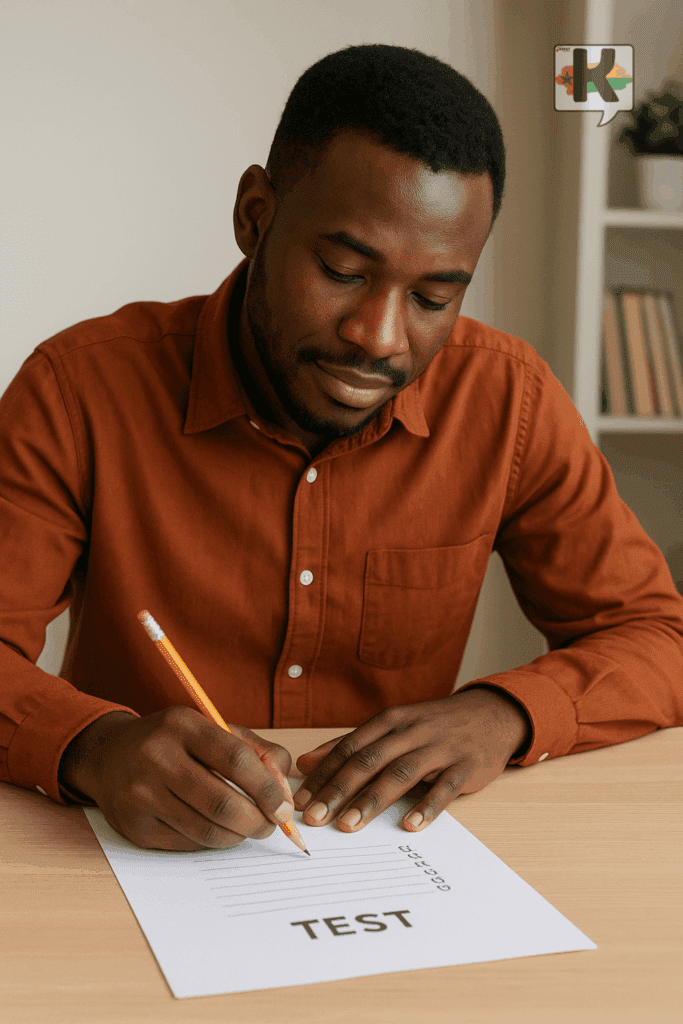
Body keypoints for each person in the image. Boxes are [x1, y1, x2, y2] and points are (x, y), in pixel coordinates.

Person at [1, 44, 682, 854]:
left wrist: (506, 712)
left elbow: (653, 637)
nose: (379, 339)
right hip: (124, 858)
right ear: (255, 215)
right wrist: (92, 745)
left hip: (382, 863)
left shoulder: (507, 400)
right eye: (342, 271)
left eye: (434, 296)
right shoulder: (78, 388)